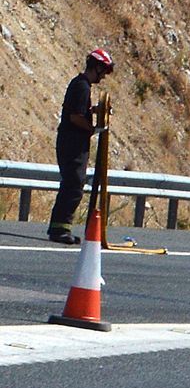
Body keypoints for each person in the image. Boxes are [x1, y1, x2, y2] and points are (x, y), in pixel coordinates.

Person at [47, 48, 115, 245]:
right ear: (97, 68)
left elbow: (80, 110)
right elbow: (75, 116)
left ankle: (59, 228)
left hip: (73, 143)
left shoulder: (81, 86)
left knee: (73, 184)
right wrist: (92, 129)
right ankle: (60, 229)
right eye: (103, 72)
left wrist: (95, 110)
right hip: (72, 144)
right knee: (74, 185)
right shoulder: (82, 87)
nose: (103, 77)